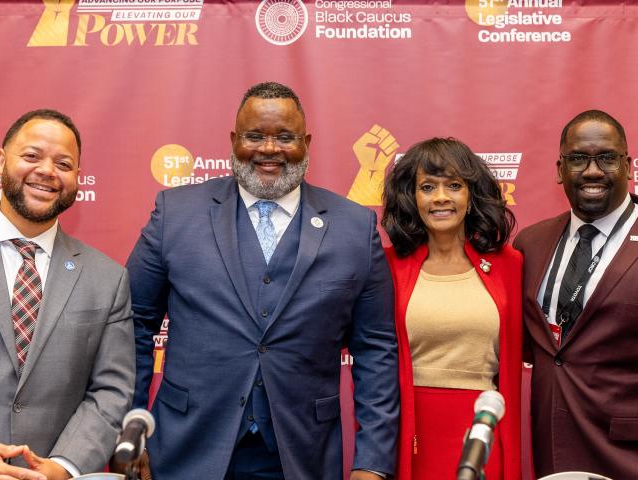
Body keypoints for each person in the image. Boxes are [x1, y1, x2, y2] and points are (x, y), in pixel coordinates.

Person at [127, 82, 399, 480]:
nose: (269, 149)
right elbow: (133, 325)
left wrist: (372, 461)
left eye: (285, 137)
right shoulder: (175, 214)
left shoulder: (354, 227)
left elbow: (376, 347)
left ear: (306, 142)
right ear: (234, 140)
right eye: (255, 136)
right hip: (186, 450)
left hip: (302, 454)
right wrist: (131, 434)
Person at [0, 109, 135, 479]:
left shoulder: (108, 279)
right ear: (0, 160)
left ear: (77, 177)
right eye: (31, 156)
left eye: (64, 163)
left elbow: (111, 389)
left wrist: (63, 466)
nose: (47, 171)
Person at [382, 138, 522, 480]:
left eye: (454, 186)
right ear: (411, 198)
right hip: (410, 432)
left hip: (484, 429)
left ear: (471, 196)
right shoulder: (386, 267)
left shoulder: (510, 265)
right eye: (427, 187)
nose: (441, 197)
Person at [513, 110, 638, 478]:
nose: (593, 171)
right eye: (579, 159)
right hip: (553, 448)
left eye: (607, 158)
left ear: (629, 166)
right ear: (559, 170)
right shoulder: (530, 243)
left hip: (627, 453)